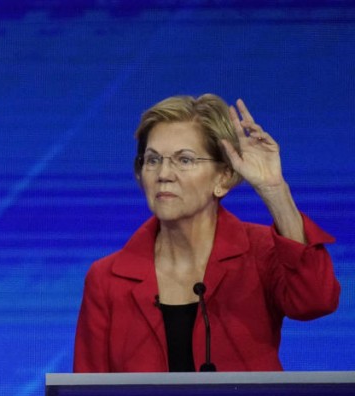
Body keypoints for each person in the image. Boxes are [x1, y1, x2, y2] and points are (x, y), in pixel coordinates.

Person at [73, 94, 339, 373]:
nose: (164, 173)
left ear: (223, 177)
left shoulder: (260, 253)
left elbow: (315, 301)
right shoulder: (107, 279)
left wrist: (274, 190)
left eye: (184, 160)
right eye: (152, 160)